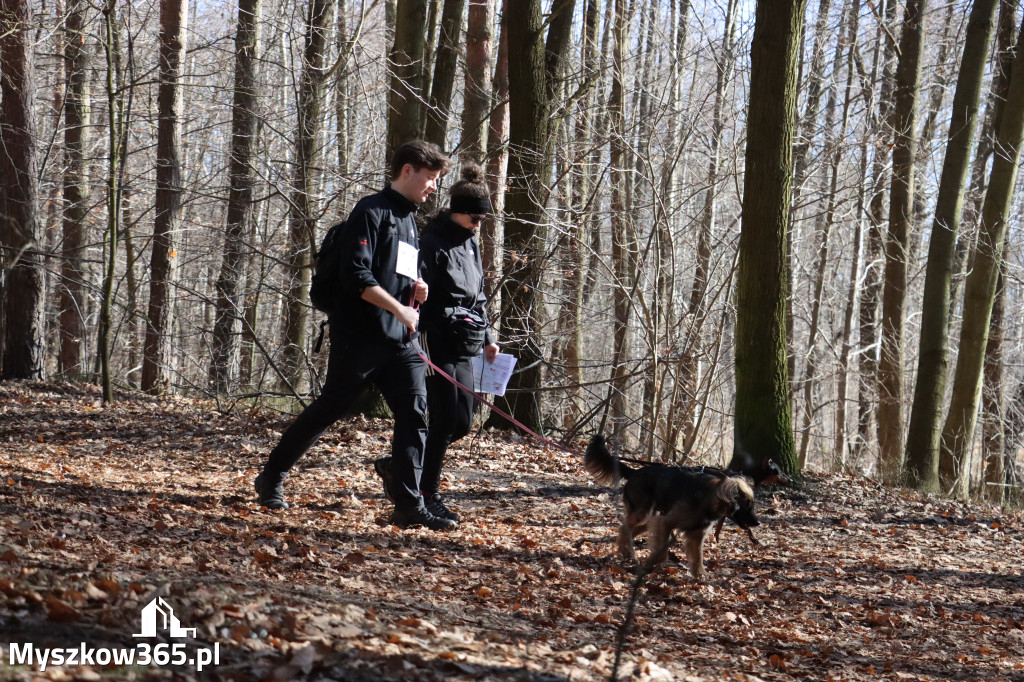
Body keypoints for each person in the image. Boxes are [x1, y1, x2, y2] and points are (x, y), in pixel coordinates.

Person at [254, 140, 456, 531]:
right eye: (430, 178)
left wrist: (416, 289)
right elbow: (356, 277)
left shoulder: (411, 221)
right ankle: (272, 475)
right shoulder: (370, 211)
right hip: (360, 339)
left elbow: (396, 273)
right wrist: (397, 307)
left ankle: (408, 505)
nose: (433, 187)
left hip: (400, 342)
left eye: (436, 180)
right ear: (408, 170)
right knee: (329, 408)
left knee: (416, 415)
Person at [373, 163, 498, 525]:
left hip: (466, 341)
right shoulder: (429, 242)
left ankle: (398, 467)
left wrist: (488, 338)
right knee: (442, 420)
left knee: (461, 421)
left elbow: (479, 296)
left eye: (482, 220)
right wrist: (414, 328)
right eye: (475, 218)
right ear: (457, 211)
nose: (478, 225)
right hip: (433, 338)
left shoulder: (470, 243)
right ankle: (426, 495)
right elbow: (409, 286)